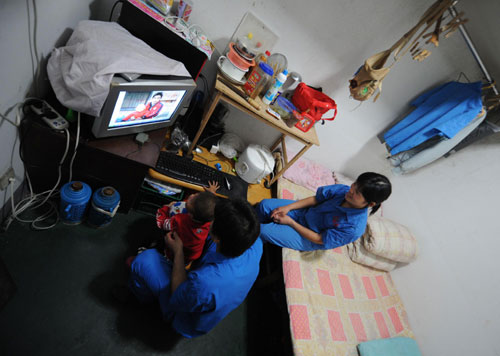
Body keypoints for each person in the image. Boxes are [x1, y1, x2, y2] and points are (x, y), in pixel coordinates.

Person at [128, 198, 262, 338]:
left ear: (217, 239)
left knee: (145, 260)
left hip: (187, 315)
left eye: (213, 219)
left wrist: (178, 251)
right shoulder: (255, 242)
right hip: (213, 292)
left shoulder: (204, 282)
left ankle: (142, 298)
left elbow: (178, 293)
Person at [255, 172, 392, 251]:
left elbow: (320, 239)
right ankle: (254, 226)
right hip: (305, 213)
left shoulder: (354, 228)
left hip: (309, 238)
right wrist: (288, 208)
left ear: (370, 204)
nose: (351, 190)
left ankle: (255, 237)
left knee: (263, 230)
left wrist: (290, 223)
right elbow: (316, 199)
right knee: (264, 205)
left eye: (357, 193)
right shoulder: (343, 190)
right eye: (354, 184)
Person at [155, 182, 219, 265]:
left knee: (167, 253)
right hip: (193, 254)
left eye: (190, 201)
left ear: (191, 215)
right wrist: (210, 193)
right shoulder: (210, 221)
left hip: (175, 253)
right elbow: (209, 206)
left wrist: (166, 208)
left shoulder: (179, 221)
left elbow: (162, 224)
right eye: (196, 194)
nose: (192, 195)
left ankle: (166, 259)